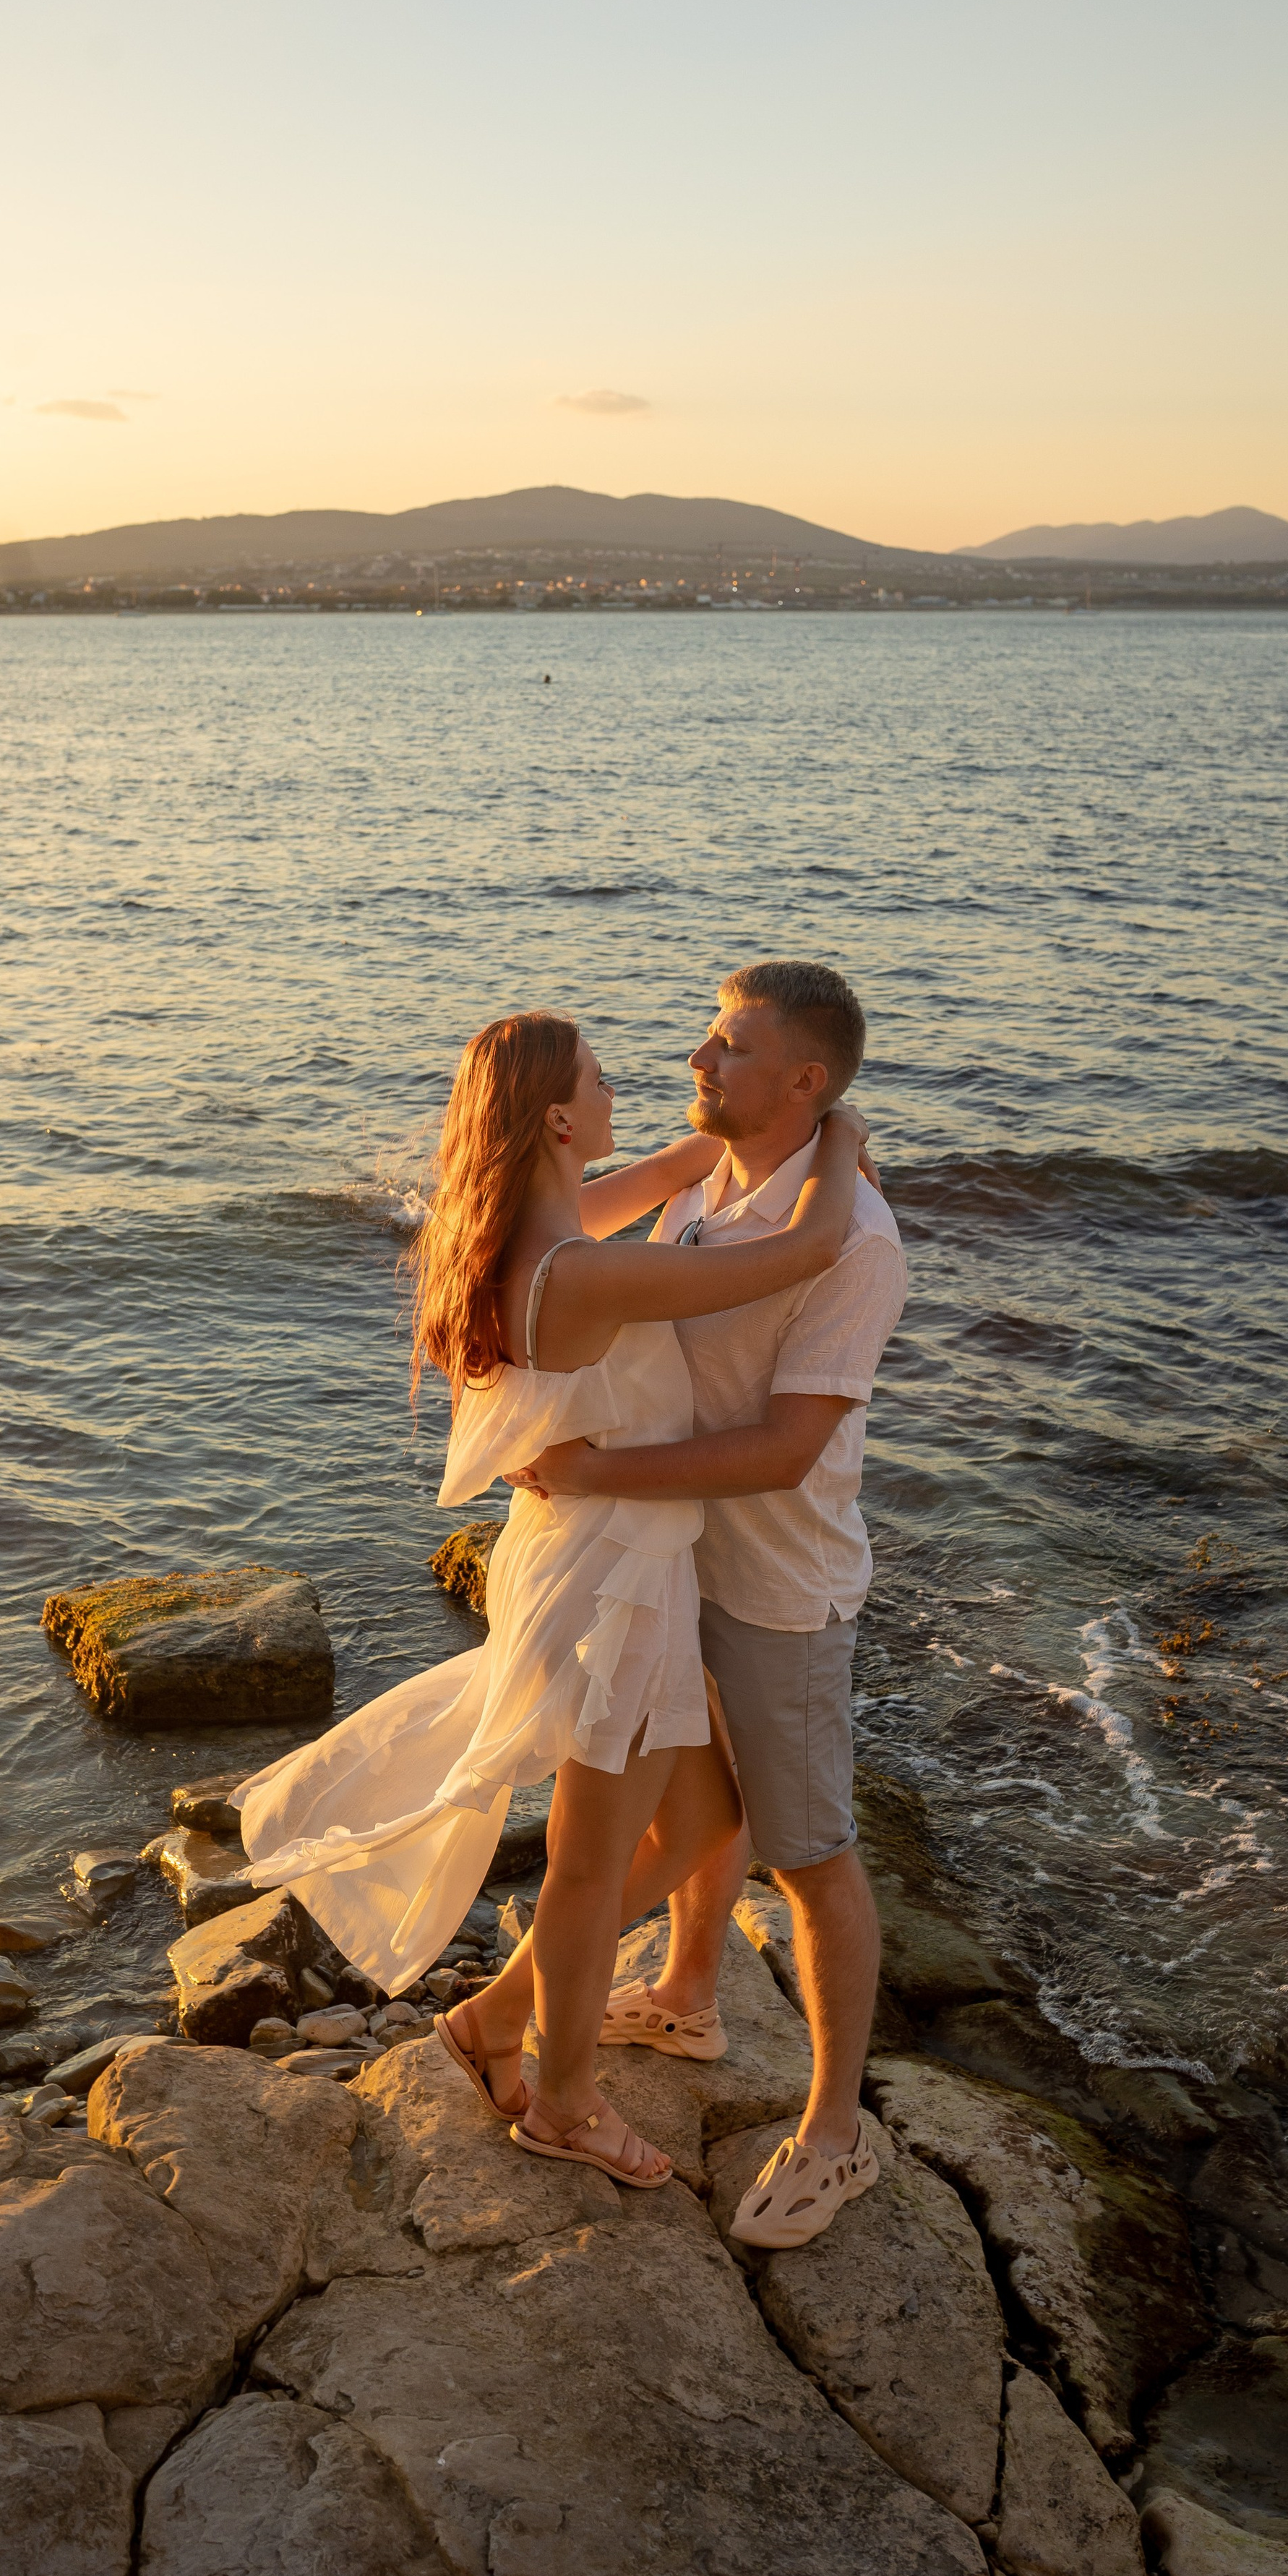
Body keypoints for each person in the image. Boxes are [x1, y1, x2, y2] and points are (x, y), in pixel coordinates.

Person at [236, 1008, 868, 2191]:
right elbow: (803, 1252)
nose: (634, 1093)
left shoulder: (532, 1228)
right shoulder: (582, 1266)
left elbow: (679, 1168)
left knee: (707, 1823)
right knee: (589, 1862)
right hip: (613, 1578)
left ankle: (495, 2022)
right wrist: (836, 1135)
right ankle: (563, 2104)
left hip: (593, 1555)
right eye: (603, 1082)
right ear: (565, 1119)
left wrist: (744, 1136)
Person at [510, 961, 905, 2251]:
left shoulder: (854, 1242)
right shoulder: (713, 1180)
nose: (697, 1058)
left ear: (803, 1077)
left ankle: (836, 2134)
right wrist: (835, 1135)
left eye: (730, 1048)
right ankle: (686, 1992)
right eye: (704, 1040)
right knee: (703, 1805)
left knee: (808, 1852)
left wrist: (601, 1473)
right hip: (675, 1558)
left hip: (777, 1582)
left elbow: (790, 1447)